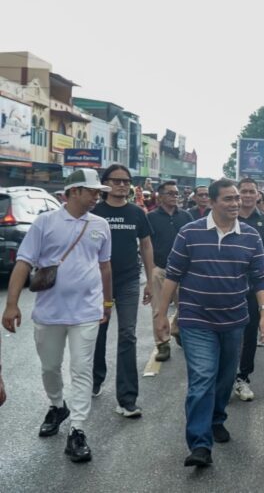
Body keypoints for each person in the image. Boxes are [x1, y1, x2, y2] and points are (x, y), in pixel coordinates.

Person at [153, 178, 264, 468]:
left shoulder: (251, 236)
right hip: (196, 319)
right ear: (213, 202)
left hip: (234, 319)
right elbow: (174, 273)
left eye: (237, 199)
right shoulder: (190, 232)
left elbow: (260, 277)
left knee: (225, 378)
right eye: (229, 199)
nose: (236, 203)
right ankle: (200, 444)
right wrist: (161, 314)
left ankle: (217, 418)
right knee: (202, 378)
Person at [2, 168, 113, 463]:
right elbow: (24, 264)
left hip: (87, 312)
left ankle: (77, 430)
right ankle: (56, 405)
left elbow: (104, 266)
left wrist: (107, 302)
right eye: (92, 191)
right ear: (74, 191)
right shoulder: (44, 223)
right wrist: (11, 304)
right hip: (49, 313)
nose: (97, 196)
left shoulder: (101, 224)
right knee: (50, 367)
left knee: (81, 368)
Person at [92, 164, 155, 418]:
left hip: (129, 281)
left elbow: (147, 246)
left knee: (127, 335)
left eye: (126, 181)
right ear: (105, 183)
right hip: (97, 283)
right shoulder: (95, 212)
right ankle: (95, 378)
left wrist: (151, 281)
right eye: (116, 181)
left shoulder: (137, 213)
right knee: (97, 332)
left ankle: (127, 398)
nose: (121, 185)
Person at [233, 178, 264, 401]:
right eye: (243, 191)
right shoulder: (225, 219)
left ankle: (243, 377)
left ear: (258, 195)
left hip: (256, 288)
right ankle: (224, 378)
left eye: (251, 191)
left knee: (250, 333)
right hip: (227, 287)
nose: (247, 195)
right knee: (228, 334)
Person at [147, 181, 194, 361]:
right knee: (159, 309)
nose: (175, 196)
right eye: (170, 193)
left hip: (184, 271)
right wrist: (150, 270)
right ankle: (162, 344)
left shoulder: (186, 216)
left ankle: (176, 328)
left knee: (187, 307)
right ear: (160, 196)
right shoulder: (151, 218)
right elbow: (146, 245)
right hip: (161, 269)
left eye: (176, 193)